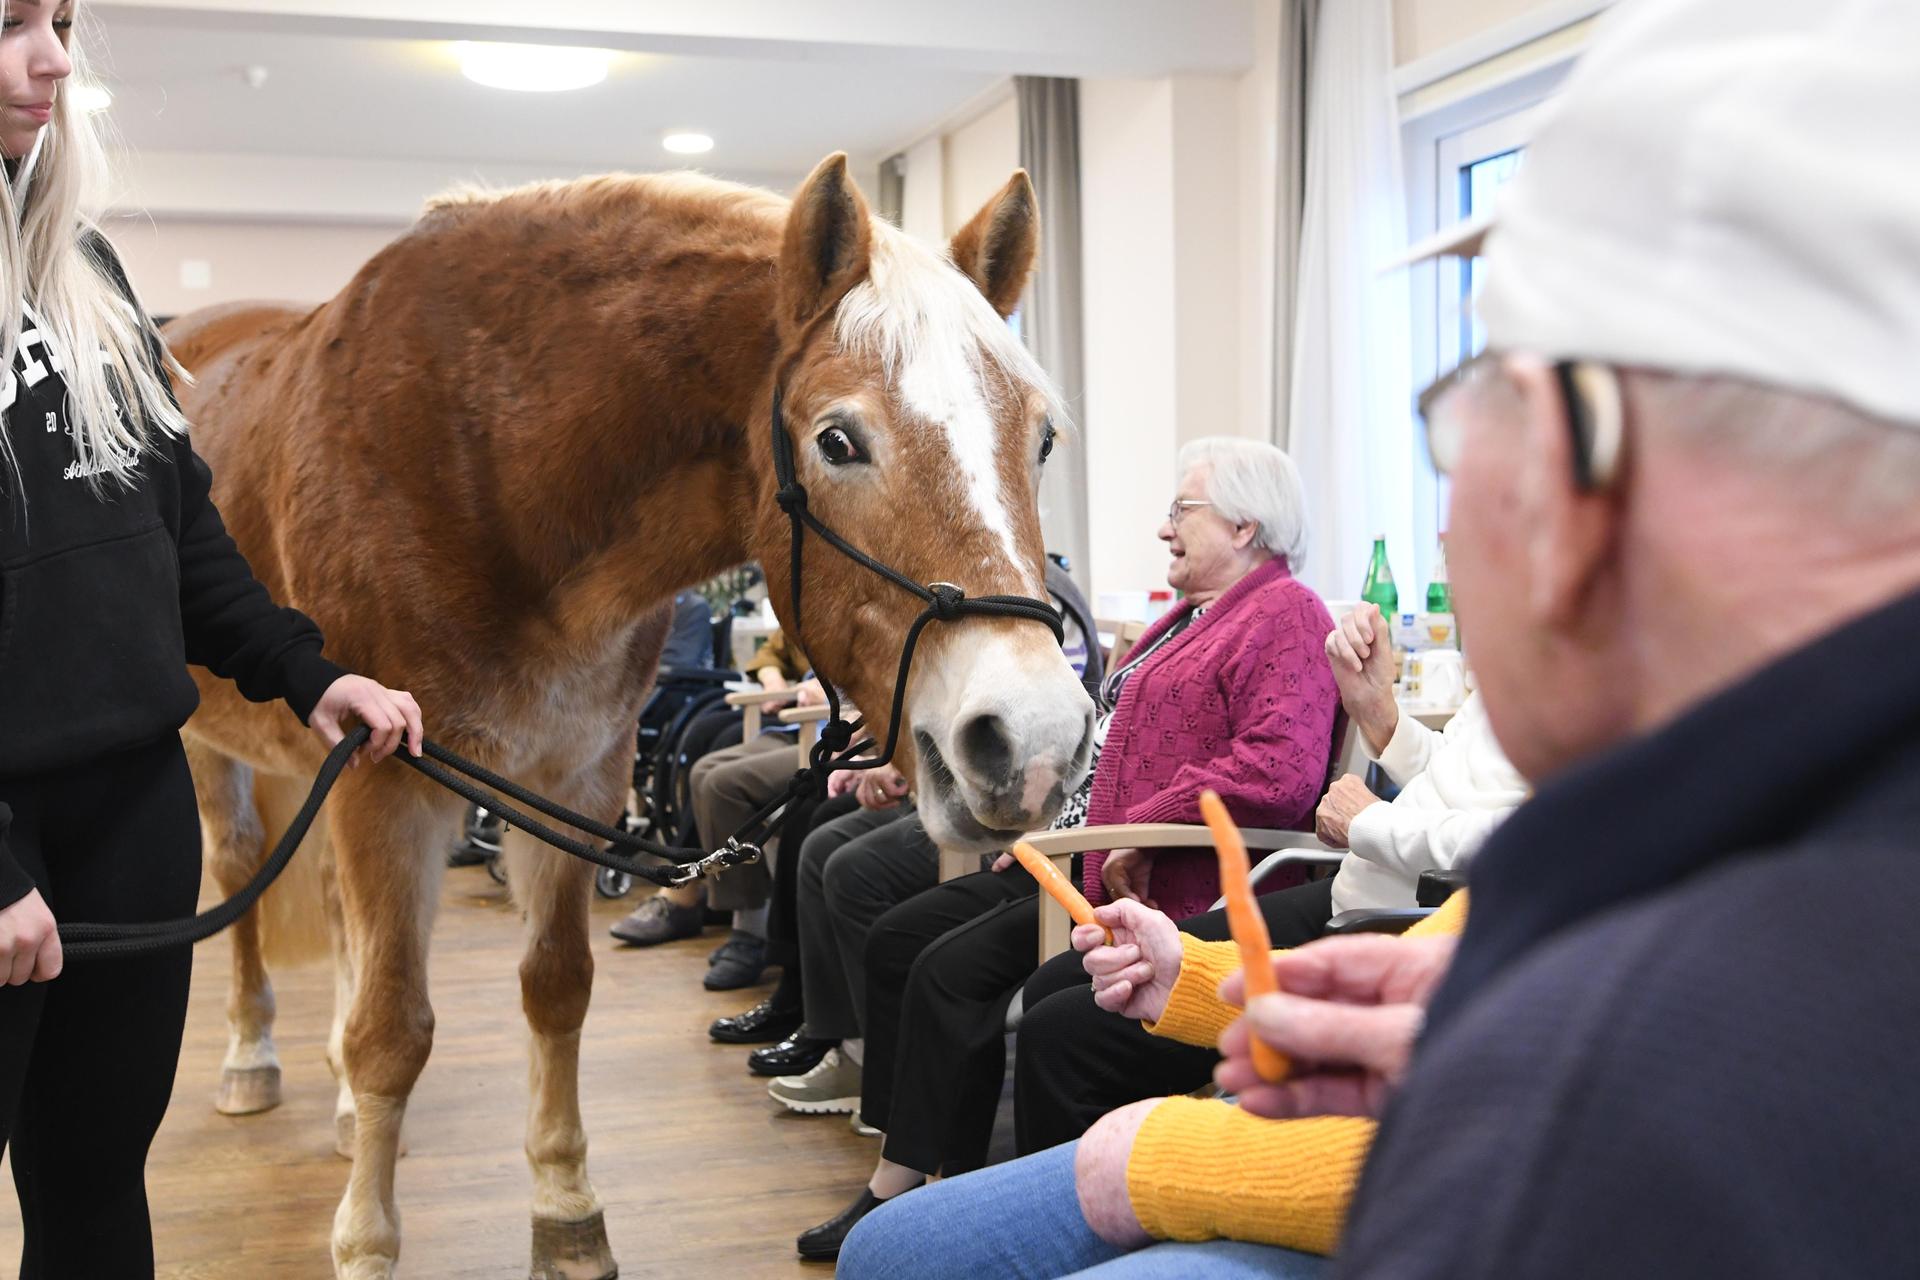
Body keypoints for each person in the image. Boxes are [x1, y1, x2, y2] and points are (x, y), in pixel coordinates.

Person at [860, 1, 1920, 1274]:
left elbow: (1541, 1116)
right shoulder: (1733, 818)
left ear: (1569, 479)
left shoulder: (1662, 1061)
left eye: (1467, 420)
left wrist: (1152, 1153)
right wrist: (1405, 1001)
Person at [0, 6, 422, 1274]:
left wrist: (313, 673)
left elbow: (179, 537)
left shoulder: (88, 276)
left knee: (92, 1180)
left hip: (129, 812)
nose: (56, 58)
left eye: (64, 21)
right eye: (14, 19)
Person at [792, 437, 1341, 1260]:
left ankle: (923, 1192)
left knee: (951, 974)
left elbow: (1279, 768)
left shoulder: (1287, 615)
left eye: (1180, 512)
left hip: (1154, 878)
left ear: (1245, 526)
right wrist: (1051, 825)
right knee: (903, 938)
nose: (1164, 529)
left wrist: (1128, 824)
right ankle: (929, 1175)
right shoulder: (1191, 616)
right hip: (1088, 850)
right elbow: (1116, 738)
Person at [1012, 605, 1525, 1155]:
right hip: (1353, 892)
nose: (1169, 530)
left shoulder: (1608, 680)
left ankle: (1100, 1200)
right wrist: (1381, 716)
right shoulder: (1540, 654)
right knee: (1060, 981)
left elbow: (1531, 840)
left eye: (1184, 512)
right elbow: (1465, 773)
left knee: (1060, 1035)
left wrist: (1373, 822)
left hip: (1400, 930)